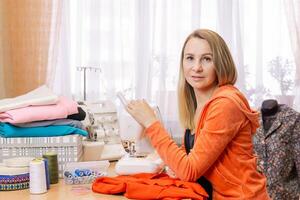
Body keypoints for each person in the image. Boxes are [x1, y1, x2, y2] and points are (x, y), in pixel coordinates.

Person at [125, 29, 270, 199]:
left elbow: (189, 170)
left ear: (220, 63)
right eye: (190, 58)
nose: (196, 67)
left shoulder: (225, 104)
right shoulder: (200, 102)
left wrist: (151, 123)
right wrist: (174, 162)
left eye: (207, 59)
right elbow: (192, 157)